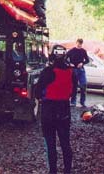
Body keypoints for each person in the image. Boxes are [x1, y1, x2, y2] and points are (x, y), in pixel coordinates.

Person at [35, 44, 77, 174]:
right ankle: (67, 171)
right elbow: (73, 92)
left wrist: (42, 97)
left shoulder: (47, 71)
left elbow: (37, 91)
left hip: (48, 110)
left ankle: (52, 171)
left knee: (50, 143)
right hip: (64, 110)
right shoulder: (72, 72)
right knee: (65, 142)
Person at [65, 38, 89, 107]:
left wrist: (82, 63)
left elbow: (87, 60)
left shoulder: (83, 51)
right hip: (73, 69)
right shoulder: (71, 51)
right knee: (74, 86)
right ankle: (73, 101)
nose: (79, 45)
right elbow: (65, 59)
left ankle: (82, 102)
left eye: (81, 44)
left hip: (81, 69)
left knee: (83, 85)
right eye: (78, 44)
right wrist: (69, 64)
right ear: (76, 43)